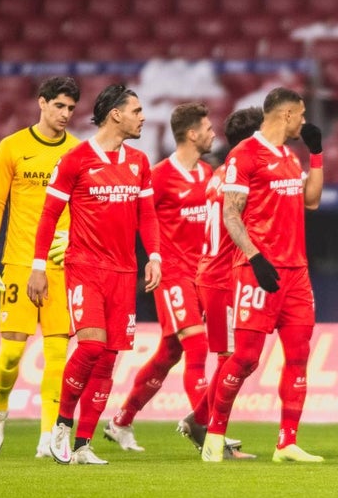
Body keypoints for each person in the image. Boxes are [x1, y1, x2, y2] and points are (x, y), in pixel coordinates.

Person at [28, 84, 162, 465]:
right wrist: (38, 267)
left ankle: (84, 444)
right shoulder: (76, 159)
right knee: (89, 347)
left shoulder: (139, 162)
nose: (142, 117)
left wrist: (154, 256)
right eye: (136, 110)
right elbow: (49, 215)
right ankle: (61, 426)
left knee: (107, 359)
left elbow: (148, 215)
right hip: (85, 267)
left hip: (124, 271)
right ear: (115, 114)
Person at [201, 87, 325, 463]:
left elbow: (312, 200)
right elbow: (231, 215)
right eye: (301, 115)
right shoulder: (245, 155)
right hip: (257, 271)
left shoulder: (289, 156)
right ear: (286, 115)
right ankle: (214, 435)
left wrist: (317, 156)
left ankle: (286, 442)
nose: (304, 122)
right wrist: (255, 258)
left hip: (297, 273)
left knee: (299, 355)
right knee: (245, 358)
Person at [0, 77, 80, 458]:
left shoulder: (78, 151)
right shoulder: (12, 147)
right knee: (12, 356)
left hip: (60, 265)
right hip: (18, 262)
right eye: (60, 106)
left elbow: (85, 208)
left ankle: (48, 436)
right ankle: (0, 408)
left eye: (71, 108)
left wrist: (75, 237)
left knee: (57, 356)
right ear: (42, 103)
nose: (66, 114)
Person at [103, 103, 215, 451]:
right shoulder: (159, 176)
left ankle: (120, 422)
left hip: (202, 276)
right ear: (192, 134)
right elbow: (138, 219)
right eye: (208, 128)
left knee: (169, 353)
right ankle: (206, 429)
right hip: (173, 275)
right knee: (197, 346)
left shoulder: (209, 174)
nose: (213, 133)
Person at [179, 106, 263, 458]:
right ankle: (204, 424)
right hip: (222, 276)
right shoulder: (245, 176)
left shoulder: (219, 174)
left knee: (238, 358)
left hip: (212, 273)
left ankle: (205, 422)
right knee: (236, 358)